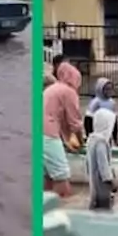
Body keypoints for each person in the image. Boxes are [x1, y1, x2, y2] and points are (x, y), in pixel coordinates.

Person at [42, 62, 85, 198]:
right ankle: (65, 207)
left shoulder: (51, 89)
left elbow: (61, 121)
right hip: (48, 135)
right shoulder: (69, 92)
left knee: (48, 176)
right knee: (61, 175)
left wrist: (66, 142)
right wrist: (81, 142)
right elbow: (75, 123)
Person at [85, 108, 117, 211]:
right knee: (104, 210)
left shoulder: (91, 140)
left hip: (93, 183)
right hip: (102, 186)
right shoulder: (101, 143)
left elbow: (87, 163)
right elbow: (103, 167)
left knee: (94, 207)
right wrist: (111, 182)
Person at [83, 78, 118, 146]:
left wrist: (115, 138)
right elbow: (88, 120)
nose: (110, 91)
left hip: (107, 134)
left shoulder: (112, 103)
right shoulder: (95, 102)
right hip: (97, 134)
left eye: (111, 89)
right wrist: (89, 135)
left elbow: (114, 121)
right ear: (100, 89)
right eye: (107, 89)